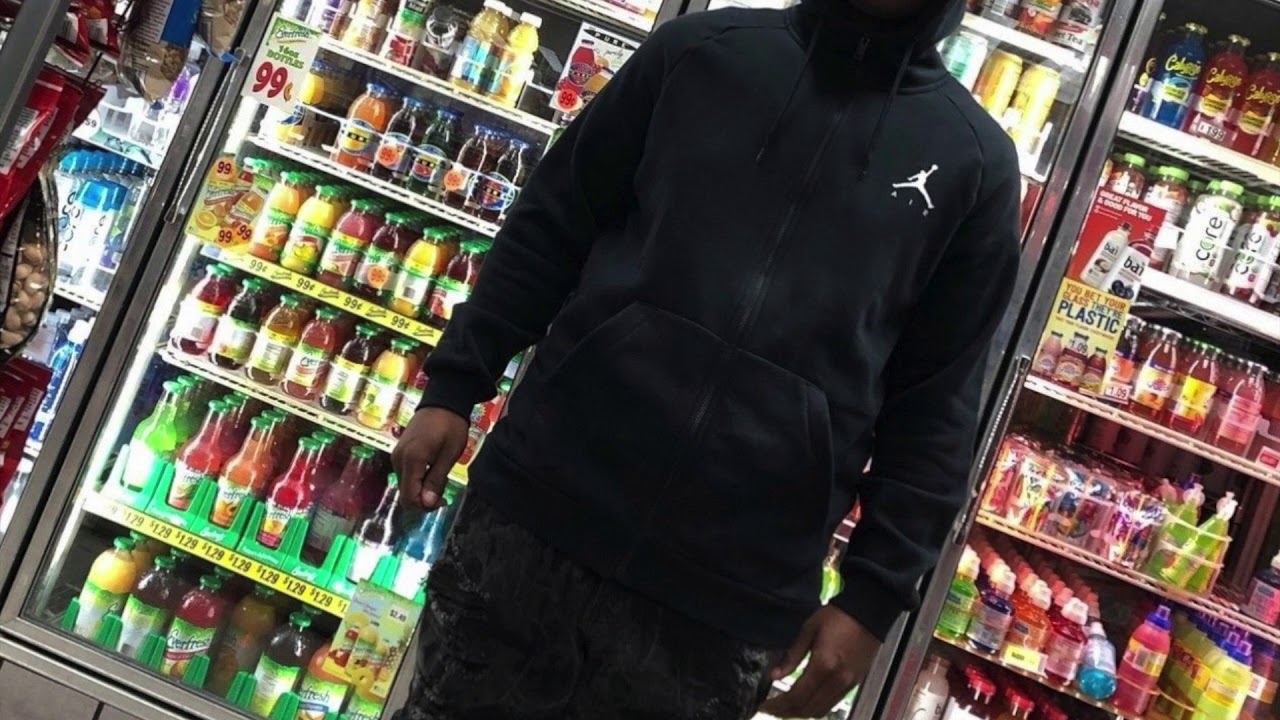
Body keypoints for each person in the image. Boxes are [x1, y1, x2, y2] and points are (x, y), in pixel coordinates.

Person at [391, 0, 1021, 715]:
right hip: (535, 519)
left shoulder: (975, 166)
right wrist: (454, 385)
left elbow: (937, 406)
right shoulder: (698, 52)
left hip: (726, 603)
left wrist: (873, 599)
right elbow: (552, 225)